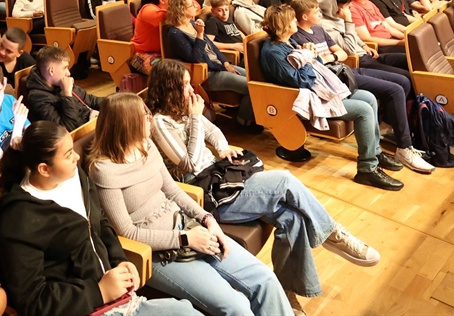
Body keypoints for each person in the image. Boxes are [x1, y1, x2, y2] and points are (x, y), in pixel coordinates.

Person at [146, 61, 379, 314]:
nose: (191, 90)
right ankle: (333, 233)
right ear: (168, 89)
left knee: (292, 218)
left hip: (219, 177)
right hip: (204, 193)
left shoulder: (185, 112)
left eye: (190, 83)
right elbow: (188, 164)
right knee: (285, 180)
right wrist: (194, 118)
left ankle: (285, 295)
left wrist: (222, 147)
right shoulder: (161, 123)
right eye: (184, 85)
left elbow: (212, 131)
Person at [87, 92, 293, 316]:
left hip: (188, 228)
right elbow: (126, 231)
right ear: (126, 123)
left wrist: (208, 219)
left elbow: (173, 190)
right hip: (160, 253)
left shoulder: (146, 146)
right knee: (236, 306)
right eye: (143, 115)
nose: (149, 118)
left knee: (265, 280)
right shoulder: (103, 170)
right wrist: (186, 239)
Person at [0, 121, 200, 316]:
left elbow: (100, 223)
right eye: (67, 155)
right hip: (85, 307)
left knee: (185, 311)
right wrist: (99, 291)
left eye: (72, 149)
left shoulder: (75, 177)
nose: (76, 157)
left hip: (118, 299)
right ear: (44, 169)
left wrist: (119, 261)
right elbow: (32, 300)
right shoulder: (19, 219)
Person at [258, 5, 404, 191]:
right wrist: (308, 57)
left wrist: (310, 55)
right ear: (284, 24)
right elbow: (300, 81)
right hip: (304, 98)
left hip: (320, 90)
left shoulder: (288, 43)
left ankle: (374, 152)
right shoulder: (273, 52)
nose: (296, 22)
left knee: (369, 97)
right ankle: (367, 169)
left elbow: (315, 63)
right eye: (293, 19)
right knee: (364, 110)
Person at [288, 0, 432, 174]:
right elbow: (313, 63)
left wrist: (328, 58)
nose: (320, 13)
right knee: (394, 89)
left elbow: (341, 53)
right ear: (304, 16)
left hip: (345, 69)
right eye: (316, 11)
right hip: (333, 79)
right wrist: (327, 58)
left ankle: (398, 130)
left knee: (403, 81)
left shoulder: (318, 29)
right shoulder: (296, 36)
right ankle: (404, 147)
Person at [163, 0, 255, 127]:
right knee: (250, 87)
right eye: (191, 5)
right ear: (182, 9)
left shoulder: (193, 23)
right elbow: (195, 58)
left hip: (219, 66)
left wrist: (225, 62)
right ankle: (244, 120)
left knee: (255, 81)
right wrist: (200, 34)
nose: (195, 7)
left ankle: (242, 113)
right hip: (207, 74)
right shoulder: (175, 33)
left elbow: (211, 46)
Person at [22, 44, 104, 130]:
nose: (68, 73)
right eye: (64, 68)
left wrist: (113, 102)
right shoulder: (38, 98)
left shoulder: (59, 83)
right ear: (51, 71)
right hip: (80, 134)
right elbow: (68, 129)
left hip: (91, 122)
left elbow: (90, 100)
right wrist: (67, 94)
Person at [130, 0, 172, 74]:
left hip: (162, 52)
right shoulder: (148, 9)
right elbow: (163, 16)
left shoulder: (167, 9)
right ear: (162, 0)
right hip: (142, 54)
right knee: (167, 71)